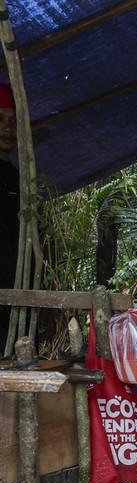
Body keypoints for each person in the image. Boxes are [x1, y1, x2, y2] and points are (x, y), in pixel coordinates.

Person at [0, 82, 19, 352]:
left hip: (12, 286)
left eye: (13, 121)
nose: (7, 127)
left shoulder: (18, 177)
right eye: (0, 119)